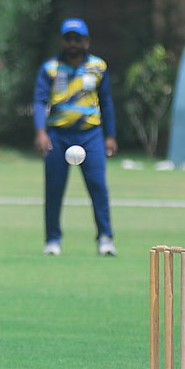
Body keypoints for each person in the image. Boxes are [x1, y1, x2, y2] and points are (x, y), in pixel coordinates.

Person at [33, 18, 118, 257]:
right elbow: (40, 101)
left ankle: (105, 238)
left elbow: (106, 101)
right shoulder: (50, 68)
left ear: (86, 41)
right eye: (68, 38)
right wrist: (40, 131)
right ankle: (52, 240)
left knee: (98, 187)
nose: (73, 43)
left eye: (77, 39)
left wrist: (110, 135)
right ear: (62, 41)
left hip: (91, 135)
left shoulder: (98, 67)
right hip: (57, 136)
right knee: (54, 189)